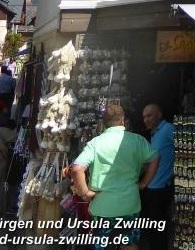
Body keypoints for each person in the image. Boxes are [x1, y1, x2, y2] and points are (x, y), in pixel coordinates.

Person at [70, 105, 158, 250]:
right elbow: (155, 158)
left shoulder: (95, 143)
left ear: (103, 123)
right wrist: (144, 183)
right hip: (130, 204)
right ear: (123, 120)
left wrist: (85, 193)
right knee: (129, 245)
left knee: (102, 246)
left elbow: (76, 169)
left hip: (102, 206)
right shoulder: (137, 140)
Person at [140, 104, 174, 250]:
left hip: (160, 189)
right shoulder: (154, 133)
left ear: (159, 115)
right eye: (144, 117)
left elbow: (186, 149)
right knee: (152, 229)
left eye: (149, 115)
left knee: (158, 230)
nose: (146, 120)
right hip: (151, 188)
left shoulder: (168, 129)